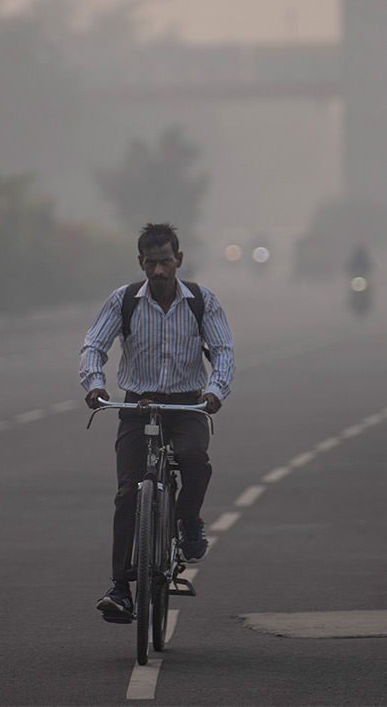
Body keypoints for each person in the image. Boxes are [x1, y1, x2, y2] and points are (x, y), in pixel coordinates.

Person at [80, 222, 235, 623]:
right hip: (138, 406)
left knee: (195, 459)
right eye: (151, 263)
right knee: (128, 495)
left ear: (179, 260)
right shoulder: (124, 300)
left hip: (188, 406)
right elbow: (94, 346)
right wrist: (96, 384)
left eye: (166, 261)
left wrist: (215, 390)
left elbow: (223, 351)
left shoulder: (202, 301)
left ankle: (188, 521)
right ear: (141, 263)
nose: (160, 271)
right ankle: (120, 587)